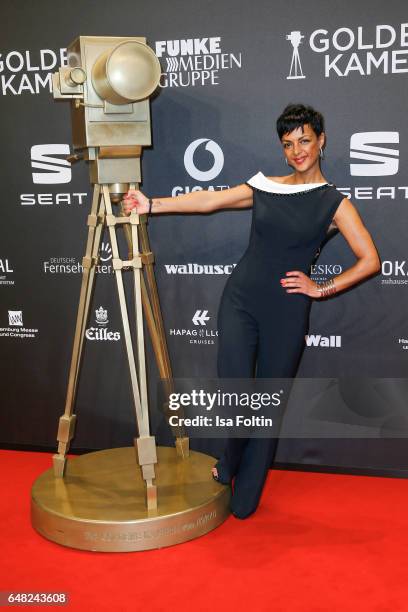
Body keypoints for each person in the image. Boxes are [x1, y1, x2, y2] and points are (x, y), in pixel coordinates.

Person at [123, 103, 381, 519]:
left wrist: (322, 288)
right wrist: (151, 204)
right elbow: (211, 200)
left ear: (321, 140)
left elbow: (370, 259)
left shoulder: (335, 203)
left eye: (304, 140)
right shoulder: (266, 185)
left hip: (288, 310)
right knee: (236, 393)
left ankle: (248, 489)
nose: (297, 150)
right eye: (288, 144)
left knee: (267, 402)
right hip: (240, 301)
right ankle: (229, 463)